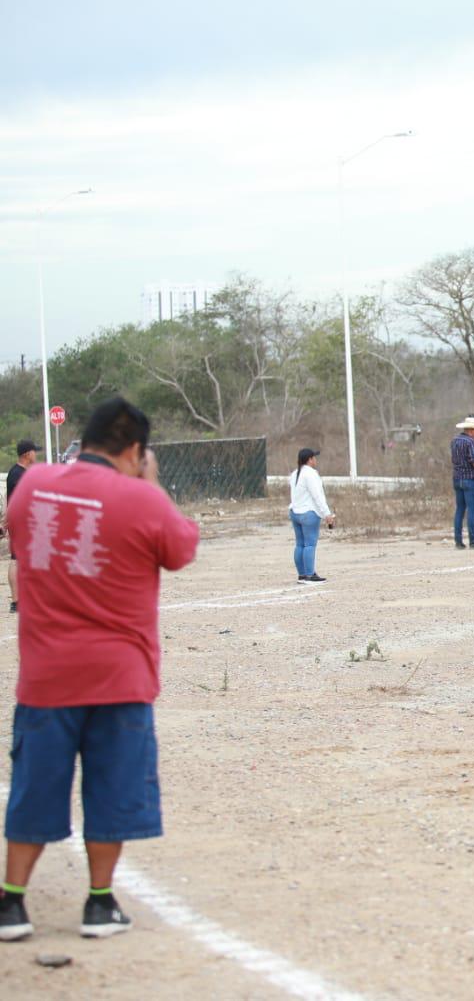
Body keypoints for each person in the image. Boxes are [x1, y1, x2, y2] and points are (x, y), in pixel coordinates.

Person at [0, 397, 199, 943]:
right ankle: (99, 902)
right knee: (111, 790)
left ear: (83, 440)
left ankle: (12, 904)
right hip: (120, 677)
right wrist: (152, 484)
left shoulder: (32, 485)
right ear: (134, 450)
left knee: (34, 788)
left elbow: (16, 538)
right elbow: (181, 550)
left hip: (45, 677)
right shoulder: (141, 498)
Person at [288, 447, 335, 583]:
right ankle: (310, 575)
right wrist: (327, 514)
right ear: (309, 459)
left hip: (295, 512)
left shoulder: (295, 473)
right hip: (308, 513)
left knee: (300, 544)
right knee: (310, 545)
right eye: (314, 457)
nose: (315, 460)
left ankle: (302, 574)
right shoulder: (311, 474)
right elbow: (317, 496)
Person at [4, 440, 39, 614]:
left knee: (22, 558)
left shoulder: (17, 472)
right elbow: (20, 499)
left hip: (18, 520)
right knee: (17, 559)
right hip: (21, 521)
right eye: (34, 451)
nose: (36, 454)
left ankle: (23, 598)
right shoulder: (18, 474)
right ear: (27, 454)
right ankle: (16, 601)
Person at [449, 416, 474, 550]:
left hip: (457, 478)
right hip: (470, 479)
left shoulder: (454, 440)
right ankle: (473, 540)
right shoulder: (471, 442)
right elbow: (473, 461)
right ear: (472, 430)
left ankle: (458, 541)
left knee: (459, 510)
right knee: (472, 510)